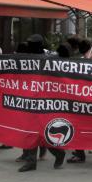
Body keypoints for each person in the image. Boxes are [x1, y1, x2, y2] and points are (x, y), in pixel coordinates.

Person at [19, 34, 65, 172]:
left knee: (44, 133)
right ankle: (30, 162)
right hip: (29, 100)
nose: (29, 46)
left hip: (45, 101)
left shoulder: (51, 58)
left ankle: (58, 152)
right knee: (29, 132)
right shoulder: (26, 58)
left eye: (32, 44)